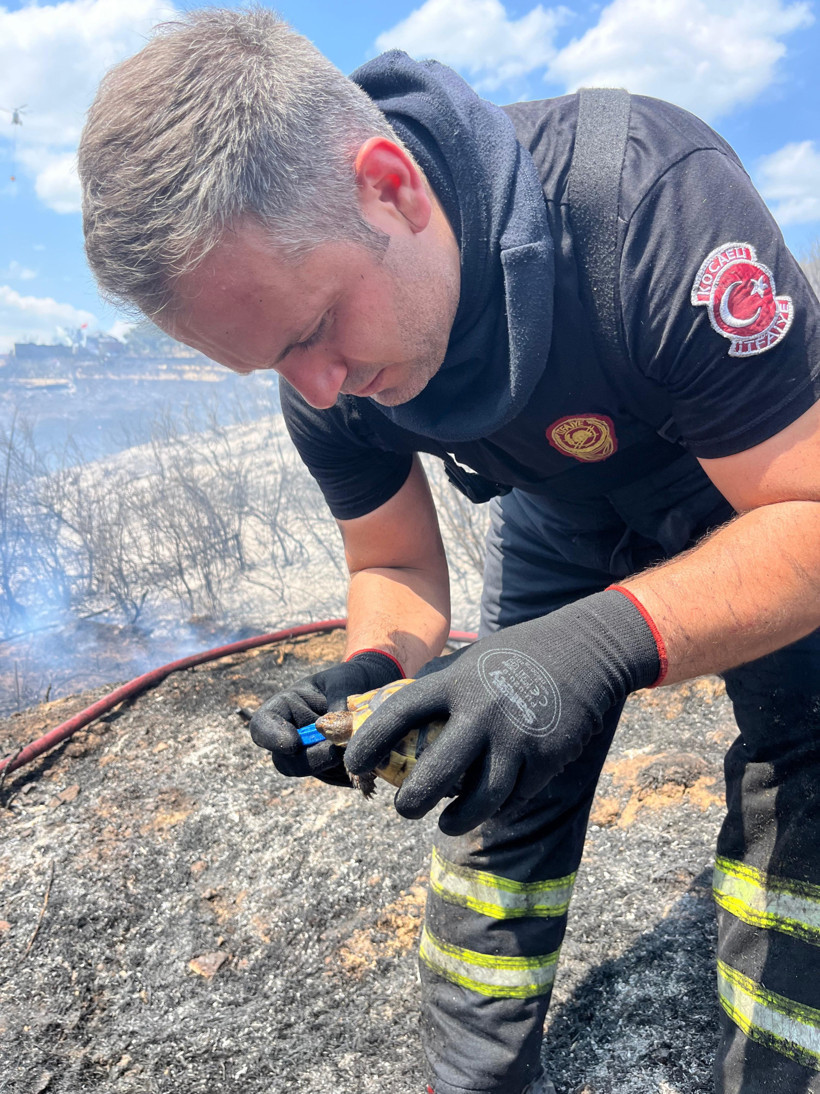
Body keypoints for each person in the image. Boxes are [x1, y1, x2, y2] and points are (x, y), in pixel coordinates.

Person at [78, 9, 820, 1094]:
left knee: (802, 763)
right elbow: (392, 568)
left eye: (313, 332)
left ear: (389, 183)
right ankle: (473, 1078)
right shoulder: (321, 370)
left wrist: (598, 644)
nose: (317, 388)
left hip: (754, 480)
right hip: (562, 510)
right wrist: (373, 671)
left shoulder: (644, 206)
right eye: (271, 366)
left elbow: (807, 511)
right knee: (495, 754)